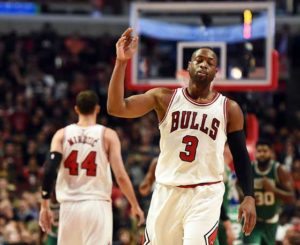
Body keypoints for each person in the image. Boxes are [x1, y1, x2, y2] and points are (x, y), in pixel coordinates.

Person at [107, 28, 256, 245]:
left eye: (210, 62)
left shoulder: (229, 108)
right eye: (199, 59)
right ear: (188, 67)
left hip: (205, 193)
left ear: (216, 72)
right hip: (167, 190)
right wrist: (121, 63)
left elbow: (241, 156)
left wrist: (249, 196)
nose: (204, 64)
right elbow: (116, 107)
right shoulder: (163, 98)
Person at [39, 90, 144, 245]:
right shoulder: (107, 135)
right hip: (96, 205)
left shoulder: (61, 135)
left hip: (69, 207)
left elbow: (49, 170)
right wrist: (134, 205)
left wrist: (44, 205)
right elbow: (120, 176)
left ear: (76, 109)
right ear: (97, 109)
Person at [243, 140, 295, 245]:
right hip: (253, 221)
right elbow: (237, 184)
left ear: (271, 152)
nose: (261, 154)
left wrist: (273, 190)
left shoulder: (279, 170)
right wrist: (246, 198)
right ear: (255, 152)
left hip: (271, 222)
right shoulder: (250, 168)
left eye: (265, 151)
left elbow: (292, 198)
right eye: (259, 151)